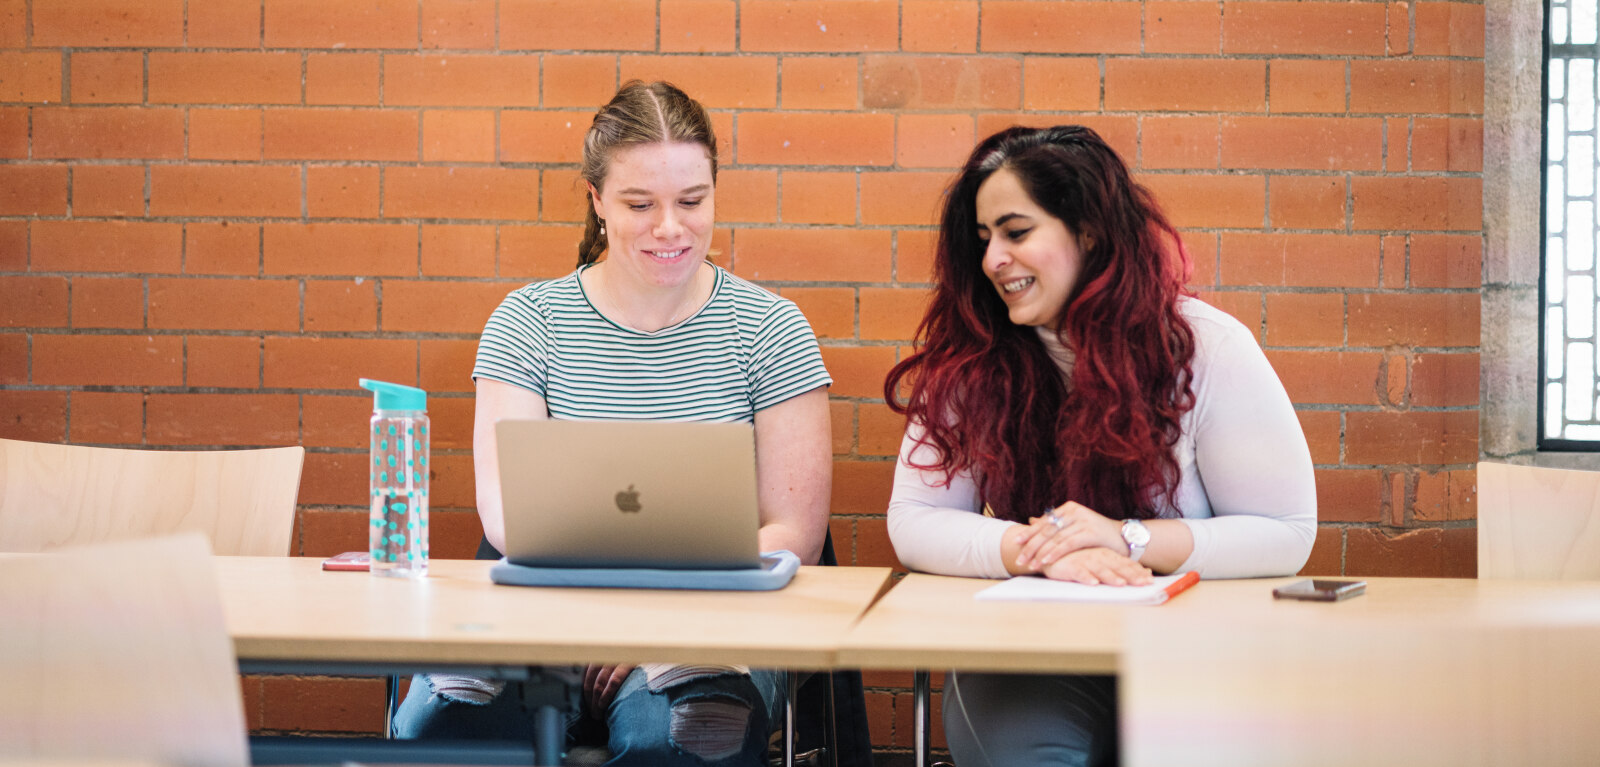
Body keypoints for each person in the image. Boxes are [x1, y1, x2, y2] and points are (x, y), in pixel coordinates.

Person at [393, 81, 833, 767]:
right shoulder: (529, 322)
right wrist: (597, 625)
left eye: (693, 201)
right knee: (445, 723)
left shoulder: (771, 331)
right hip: (544, 622)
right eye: (639, 204)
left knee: (682, 740)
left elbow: (791, 533)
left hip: (715, 627)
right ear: (597, 201)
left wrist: (655, 626)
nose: (670, 227)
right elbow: (510, 515)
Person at [883, 125, 1317, 766]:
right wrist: (1040, 552)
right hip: (1031, 652)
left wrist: (1127, 539)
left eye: (1016, 231)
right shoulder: (971, 359)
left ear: (1087, 231)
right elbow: (913, 520)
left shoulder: (1205, 349)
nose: (993, 260)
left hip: (1189, 650)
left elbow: (1287, 532)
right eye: (983, 241)